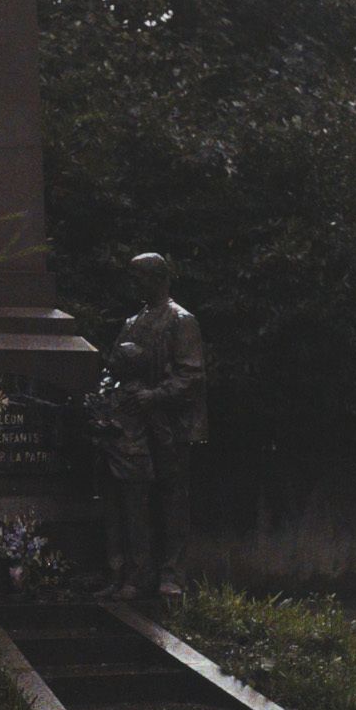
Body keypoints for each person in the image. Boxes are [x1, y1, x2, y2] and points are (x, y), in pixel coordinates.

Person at [111, 252, 205, 597]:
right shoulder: (132, 321)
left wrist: (154, 396)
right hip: (135, 427)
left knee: (171, 499)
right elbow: (115, 369)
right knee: (135, 499)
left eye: (139, 277)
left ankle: (171, 576)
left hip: (170, 426)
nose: (134, 284)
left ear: (158, 278)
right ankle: (137, 575)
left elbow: (191, 376)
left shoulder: (181, 320)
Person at [85, 340, 156, 599]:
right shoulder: (113, 391)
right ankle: (115, 576)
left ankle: (136, 580)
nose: (111, 362)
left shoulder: (142, 396)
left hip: (133, 464)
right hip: (111, 461)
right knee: (114, 522)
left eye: (117, 358)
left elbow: (157, 432)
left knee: (135, 524)